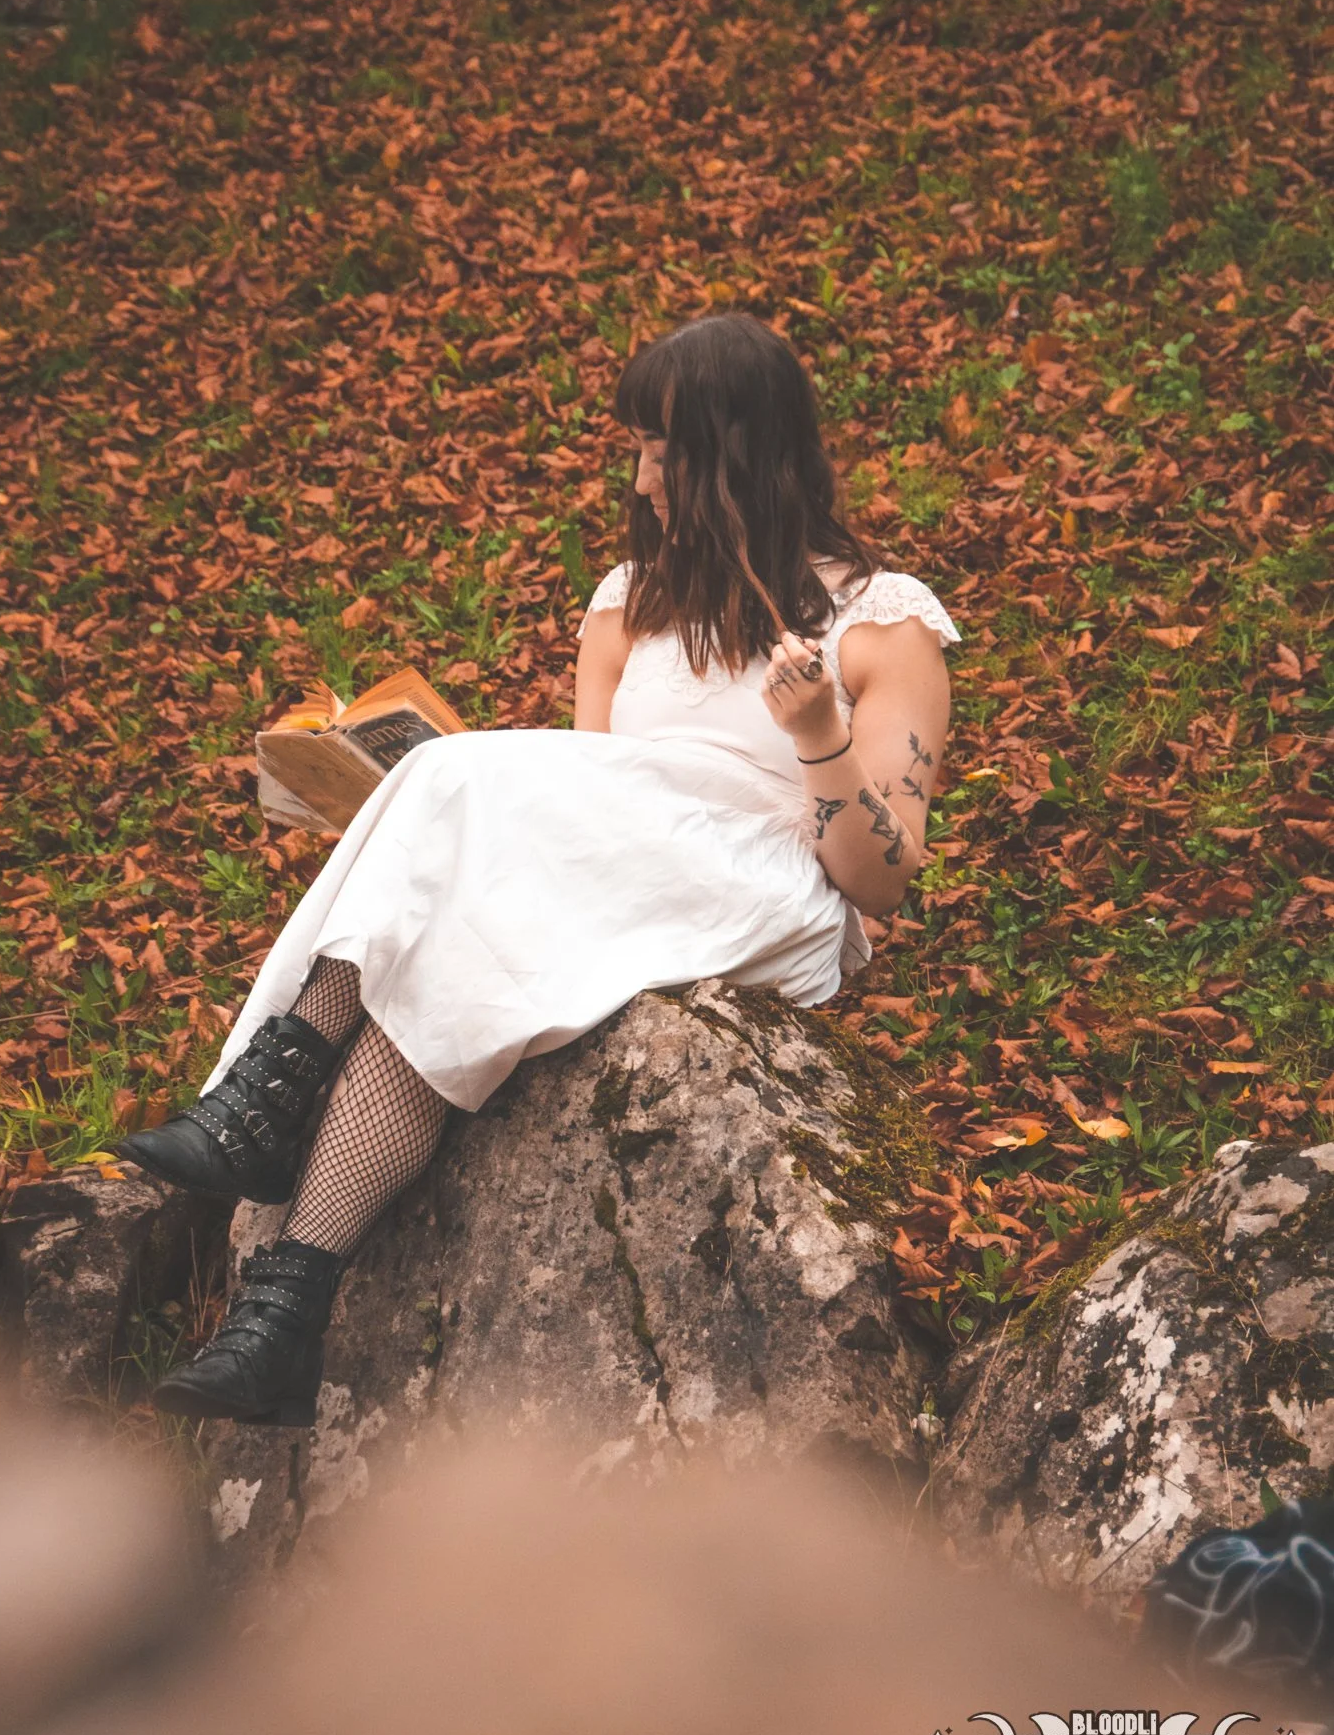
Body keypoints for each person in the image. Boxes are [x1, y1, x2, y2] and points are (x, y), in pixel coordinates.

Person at [116, 310, 962, 1428]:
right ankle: (285, 1314)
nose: (643, 474)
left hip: (772, 884)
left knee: (459, 781)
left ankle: (271, 1091)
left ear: (735, 453)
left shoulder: (877, 623)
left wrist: (818, 735)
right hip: (639, 867)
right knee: (449, 972)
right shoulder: (627, 606)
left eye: (665, 448)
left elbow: (883, 882)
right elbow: (600, 796)